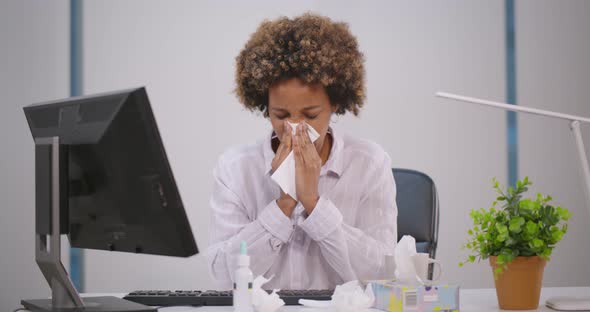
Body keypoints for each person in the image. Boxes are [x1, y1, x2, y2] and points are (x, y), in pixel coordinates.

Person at [207, 13, 397, 290]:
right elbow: (223, 277)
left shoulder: (370, 164)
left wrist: (313, 203)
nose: (294, 128)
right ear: (264, 106)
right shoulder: (235, 168)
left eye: (310, 115)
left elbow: (381, 275)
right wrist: (284, 203)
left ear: (335, 105)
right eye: (281, 115)